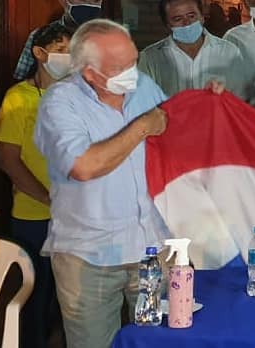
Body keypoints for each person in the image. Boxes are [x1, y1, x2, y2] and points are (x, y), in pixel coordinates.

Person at [34, 19, 172, 347]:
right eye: (119, 67)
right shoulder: (60, 102)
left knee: (158, 341)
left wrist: (209, 101)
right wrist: (141, 128)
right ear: (89, 73)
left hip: (150, 247)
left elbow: (174, 128)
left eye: (133, 61)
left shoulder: (145, 87)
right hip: (89, 254)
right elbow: (83, 166)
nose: (131, 72)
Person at [0, 22, 72, 348]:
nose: (70, 58)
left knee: (68, 300)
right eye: (63, 51)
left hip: (76, 217)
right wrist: (49, 199)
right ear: (40, 53)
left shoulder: (79, 94)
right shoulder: (19, 97)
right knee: (35, 298)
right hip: (34, 216)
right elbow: (9, 161)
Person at [140, 0, 249, 98]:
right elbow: (143, 102)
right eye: (178, 19)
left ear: (202, 17)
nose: (187, 23)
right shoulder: (151, 59)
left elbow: (239, 98)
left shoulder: (228, 52)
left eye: (191, 16)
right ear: (167, 25)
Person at [12, 0, 103, 81]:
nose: (90, 5)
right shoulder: (40, 36)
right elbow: (21, 79)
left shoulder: (109, 38)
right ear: (64, 2)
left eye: (96, 0)